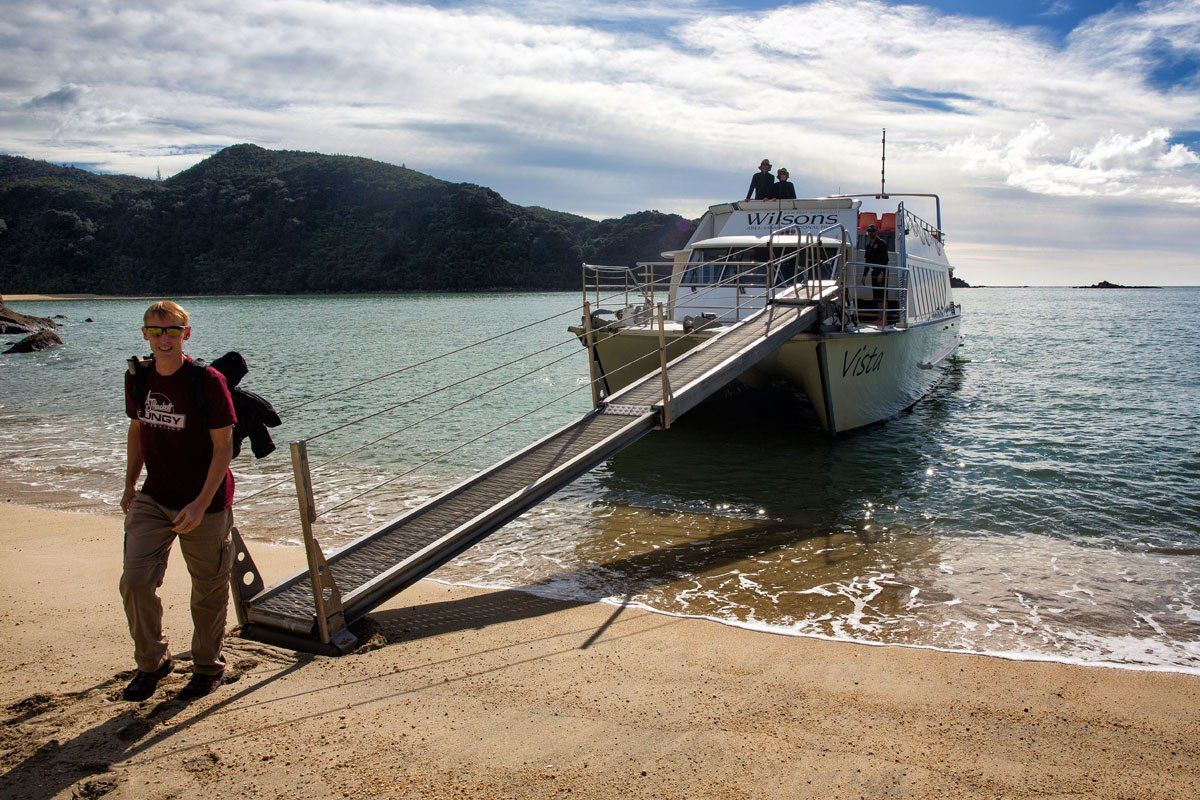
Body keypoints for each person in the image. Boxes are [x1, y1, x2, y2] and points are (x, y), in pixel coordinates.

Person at [119, 300, 237, 702]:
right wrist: (129, 483)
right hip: (155, 495)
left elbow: (224, 448)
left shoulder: (207, 381)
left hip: (206, 499)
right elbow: (137, 431)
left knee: (208, 587)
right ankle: (153, 662)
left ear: (187, 333)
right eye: (155, 330)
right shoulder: (137, 378)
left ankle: (207, 666)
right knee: (135, 581)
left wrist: (202, 503)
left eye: (171, 330)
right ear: (145, 335)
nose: (163, 338)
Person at [862, 223, 890, 321]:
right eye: (869, 231)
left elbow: (885, 260)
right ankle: (879, 318)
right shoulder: (868, 245)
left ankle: (884, 320)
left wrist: (881, 273)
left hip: (882, 272)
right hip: (874, 272)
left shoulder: (881, 243)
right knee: (877, 296)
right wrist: (864, 275)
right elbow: (867, 261)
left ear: (876, 232)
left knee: (882, 295)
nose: (871, 233)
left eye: (873, 231)